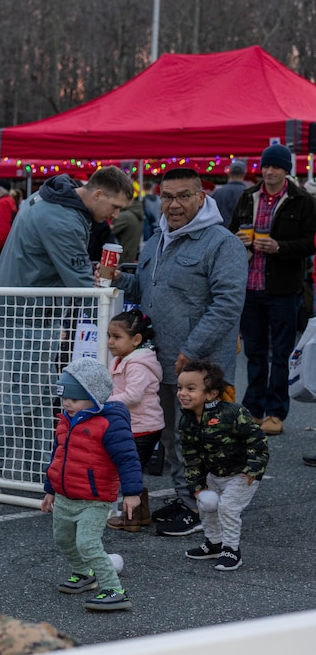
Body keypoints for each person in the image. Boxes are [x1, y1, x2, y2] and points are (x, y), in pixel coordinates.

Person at [112, 167, 248, 537]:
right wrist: (116, 280)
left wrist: (191, 348)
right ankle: (186, 498)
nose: (174, 204)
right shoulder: (157, 240)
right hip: (161, 360)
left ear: (202, 198)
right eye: (168, 196)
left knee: (203, 438)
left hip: (201, 365)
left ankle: (205, 509)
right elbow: (143, 289)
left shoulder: (222, 243)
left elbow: (227, 304)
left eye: (184, 196)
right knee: (174, 436)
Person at [0, 167, 133, 480]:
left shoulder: (55, 198)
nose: (115, 215)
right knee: (27, 393)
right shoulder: (63, 218)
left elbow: (70, 272)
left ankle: (38, 470)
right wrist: (113, 325)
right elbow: (79, 284)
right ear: (98, 194)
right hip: (30, 313)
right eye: (114, 207)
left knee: (37, 395)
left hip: (28, 308)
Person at [227, 144, 316, 437]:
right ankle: (252, 410)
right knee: (254, 353)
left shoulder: (301, 200)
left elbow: (310, 242)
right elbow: (229, 232)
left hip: (283, 289)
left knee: (281, 354)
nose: (269, 171)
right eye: (266, 166)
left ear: (286, 170)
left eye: (276, 167)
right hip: (251, 287)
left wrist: (280, 247)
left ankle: (276, 412)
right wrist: (237, 240)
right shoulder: (248, 196)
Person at [41, 358, 140, 612]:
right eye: (64, 397)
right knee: (62, 539)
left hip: (94, 499)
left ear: (94, 395)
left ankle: (114, 589)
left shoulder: (110, 423)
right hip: (65, 495)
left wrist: (131, 492)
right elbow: (58, 456)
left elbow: (127, 458)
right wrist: (50, 489)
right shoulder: (65, 420)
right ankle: (83, 574)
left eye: (74, 398)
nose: (67, 403)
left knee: (87, 543)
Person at [178, 361, 268, 571]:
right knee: (206, 505)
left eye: (191, 389)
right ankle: (214, 544)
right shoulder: (187, 421)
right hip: (214, 475)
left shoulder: (232, 414)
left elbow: (257, 440)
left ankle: (231, 550)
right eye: (180, 388)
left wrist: (253, 471)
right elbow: (190, 456)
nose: (183, 393)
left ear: (211, 394)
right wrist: (197, 486)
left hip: (241, 474)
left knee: (228, 507)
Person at [103, 310, 163, 532]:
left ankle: (132, 518)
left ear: (136, 339)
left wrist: (103, 402)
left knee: (128, 470)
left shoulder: (137, 364)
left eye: (116, 337)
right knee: (132, 469)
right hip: (135, 425)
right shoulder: (124, 360)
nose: (110, 342)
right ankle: (140, 514)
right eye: (109, 336)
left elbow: (132, 396)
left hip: (143, 427)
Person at [211, 159, 248, 225]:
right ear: (244, 174)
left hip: (219, 232)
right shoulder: (249, 193)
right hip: (240, 233)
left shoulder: (217, 193)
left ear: (229, 173)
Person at [110, 196, 144, 265]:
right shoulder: (136, 214)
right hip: (129, 258)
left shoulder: (126, 216)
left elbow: (106, 232)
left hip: (120, 259)